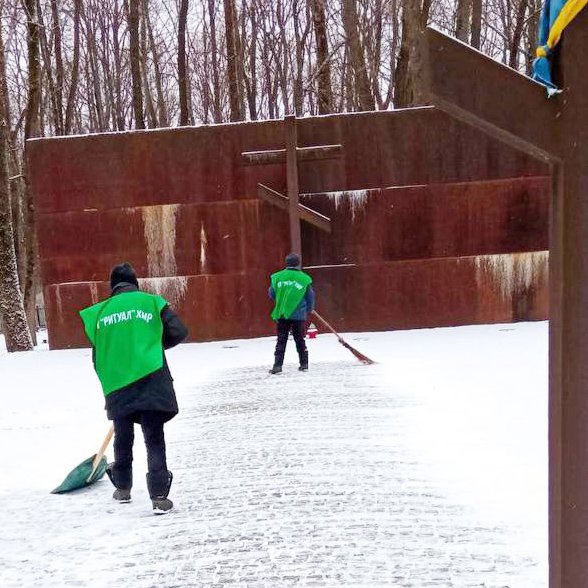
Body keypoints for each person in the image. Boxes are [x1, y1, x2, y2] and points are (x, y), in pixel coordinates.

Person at [79, 263, 188, 514]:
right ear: (134, 282)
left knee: (123, 434)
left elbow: (98, 355)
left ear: (112, 286)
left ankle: (123, 488)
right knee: (154, 437)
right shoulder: (151, 303)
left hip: (118, 382)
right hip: (151, 378)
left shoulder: (101, 312)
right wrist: (152, 347)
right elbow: (179, 331)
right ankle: (159, 495)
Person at [268, 252, 315, 374]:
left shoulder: (277, 277)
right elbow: (310, 296)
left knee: (281, 339)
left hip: (282, 313)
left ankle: (277, 366)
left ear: (286, 263)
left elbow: (271, 294)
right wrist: (309, 309)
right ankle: (304, 364)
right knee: (299, 339)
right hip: (298, 314)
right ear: (298, 264)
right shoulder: (304, 279)